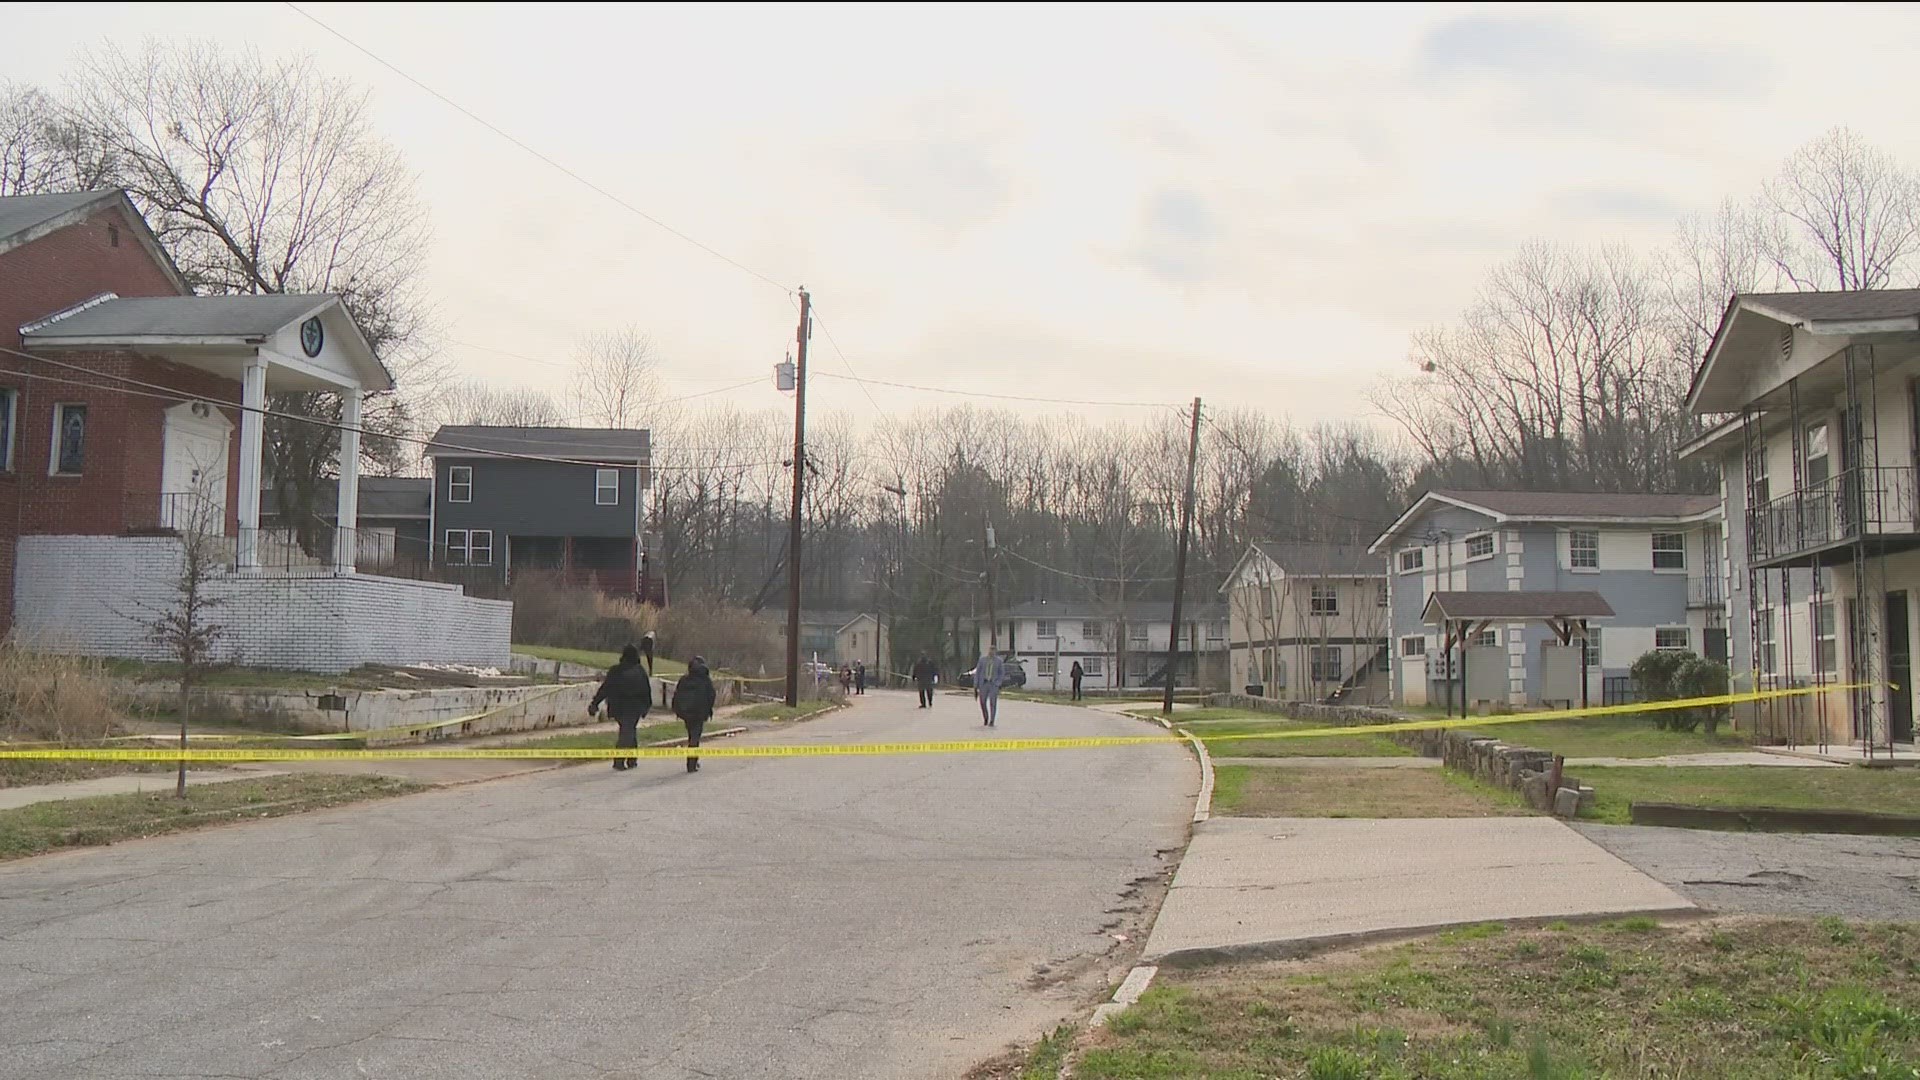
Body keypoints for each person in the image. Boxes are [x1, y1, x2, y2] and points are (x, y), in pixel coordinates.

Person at [589, 643, 653, 771]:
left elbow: (605, 688)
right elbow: (646, 691)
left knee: (628, 731)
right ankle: (621, 760)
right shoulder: (640, 671)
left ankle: (631, 759)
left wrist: (595, 703)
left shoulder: (616, 671)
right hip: (634, 708)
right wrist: (646, 707)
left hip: (618, 707)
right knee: (628, 732)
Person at [672, 655, 717, 773]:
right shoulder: (705, 680)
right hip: (699, 713)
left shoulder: (684, 680)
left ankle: (692, 760)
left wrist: (678, 710)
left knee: (691, 735)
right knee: (695, 737)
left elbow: (676, 695)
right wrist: (708, 709)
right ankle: (692, 762)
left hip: (686, 713)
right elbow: (711, 695)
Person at [972, 648, 1007, 727]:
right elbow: (978, 673)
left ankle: (992, 720)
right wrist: (976, 684)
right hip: (983, 683)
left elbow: (1002, 673)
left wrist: (998, 683)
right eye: (990, 650)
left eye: (993, 651)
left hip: (993, 684)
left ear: (995, 652)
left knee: (993, 703)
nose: (991, 652)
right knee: (982, 702)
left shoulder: (999, 661)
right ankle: (986, 717)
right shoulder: (982, 660)